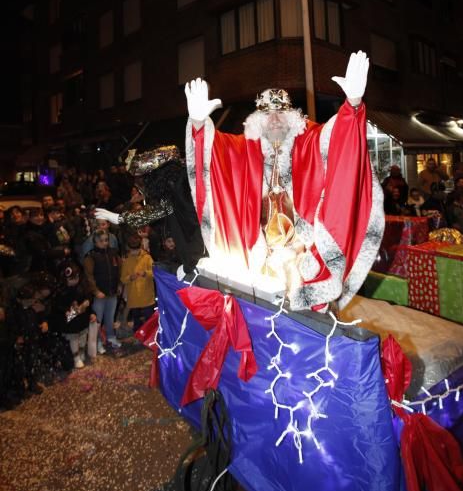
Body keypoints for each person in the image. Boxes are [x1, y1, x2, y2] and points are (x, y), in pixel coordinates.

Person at [183, 51, 384, 311]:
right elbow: (214, 153)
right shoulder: (246, 147)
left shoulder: (309, 139)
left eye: (281, 112)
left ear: (293, 117)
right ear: (257, 120)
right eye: (268, 113)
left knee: (304, 318)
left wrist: (353, 104)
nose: (275, 119)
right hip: (260, 256)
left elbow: (340, 141)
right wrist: (199, 123)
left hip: (302, 255)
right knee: (263, 313)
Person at [95, 146, 205, 275]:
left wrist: (121, 218)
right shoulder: (177, 186)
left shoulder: (178, 188)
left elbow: (156, 210)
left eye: (142, 178)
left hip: (201, 248)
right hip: (196, 251)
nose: (141, 184)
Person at [83, 230, 122, 350]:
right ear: (95, 242)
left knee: (110, 317)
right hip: (99, 293)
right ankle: (97, 341)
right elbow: (89, 276)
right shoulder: (91, 256)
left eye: (106, 240)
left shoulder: (114, 253)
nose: (104, 243)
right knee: (98, 319)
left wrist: (119, 284)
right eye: (101, 241)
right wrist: (95, 291)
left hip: (112, 291)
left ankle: (110, 337)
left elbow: (119, 270)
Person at [54, 261, 96, 368]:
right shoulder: (62, 291)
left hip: (82, 318)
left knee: (83, 337)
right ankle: (76, 357)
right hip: (71, 322)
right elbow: (59, 306)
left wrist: (89, 307)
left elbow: (88, 297)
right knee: (73, 339)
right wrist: (68, 311)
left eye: (77, 277)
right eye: (71, 279)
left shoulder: (81, 287)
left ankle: (81, 352)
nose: (75, 280)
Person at [120, 234, 155, 331]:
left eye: (136, 250)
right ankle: (138, 338)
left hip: (147, 298)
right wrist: (130, 277)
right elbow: (123, 279)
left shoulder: (147, 258)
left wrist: (145, 273)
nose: (134, 253)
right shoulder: (127, 261)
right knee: (137, 322)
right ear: (128, 249)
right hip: (134, 298)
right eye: (132, 251)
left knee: (149, 321)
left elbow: (155, 272)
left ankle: (150, 339)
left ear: (140, 247)